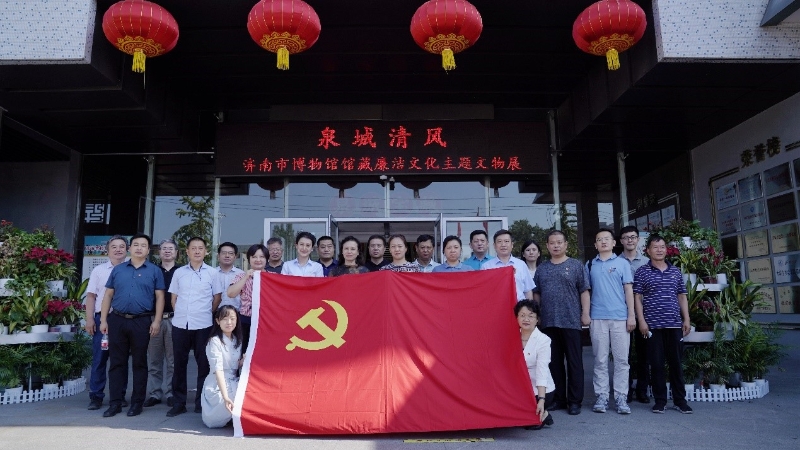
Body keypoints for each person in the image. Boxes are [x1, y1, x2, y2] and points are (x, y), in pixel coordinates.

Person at [99, 233, 165, 418]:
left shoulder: (154, 271)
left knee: (139, 363)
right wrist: (103, 320)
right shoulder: (118, 270)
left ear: (148, 250)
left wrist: (157, 321)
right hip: (117, 320)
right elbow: (108, 295)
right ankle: (115, 402)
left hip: (142, 321)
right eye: (136, 244)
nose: (139, 248)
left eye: (143, 245)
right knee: (116, 363)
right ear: (130, 248)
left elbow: (160, 297)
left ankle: (137, 403)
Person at [633, 234, 693, 414]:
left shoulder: (675, 271)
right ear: (648, 250)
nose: (659, 250)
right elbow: (637, 298)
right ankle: (660, 401)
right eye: (655, 247)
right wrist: (641, 321)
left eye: (662, 247)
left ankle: (680, 401)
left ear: (666, 250)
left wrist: (686, 319)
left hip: (674, 325)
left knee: (676, 364)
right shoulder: (642, 272)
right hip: (653, 326)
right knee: (657, 364)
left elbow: (681, 296)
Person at [533, 230, 590, 416]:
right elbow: (537, 293)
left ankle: (575, 401)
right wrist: (537, 315)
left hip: (571, 321)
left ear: (565, 244)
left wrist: (585, 313)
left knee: (574, 363)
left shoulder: (576, 265)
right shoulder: (542, 268)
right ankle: (559, 398)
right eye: (552, 243)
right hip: (548, 322)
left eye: (559, 242)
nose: (556, 246)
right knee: (554, 363)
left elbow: (584, 290)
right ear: (547, 246)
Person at [167, 237, 222, 417]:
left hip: (203, 324)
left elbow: (217, 298)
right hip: (180, 324)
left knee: (203, 365)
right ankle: (179, 403)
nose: (197, 251)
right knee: (179, 364)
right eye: (193, 248)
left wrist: (205, 313)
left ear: (206, 251)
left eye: (200, 248)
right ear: (187, 252)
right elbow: (174, 298)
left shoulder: (213, 273)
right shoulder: (179, 273)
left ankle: (201, 402)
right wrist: (182, 313)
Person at [586, 228, 635, 415]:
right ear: (595, 244)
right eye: (600, 239)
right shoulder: (590, 264)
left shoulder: (622, 263)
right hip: (597, 317)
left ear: (614, 243)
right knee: (600, 359)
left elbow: (628, 290)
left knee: (622, 360)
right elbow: (586, 291)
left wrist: (631, 315)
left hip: (620, 317)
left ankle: (621, 397)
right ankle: (602, 396)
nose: (603, 242)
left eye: (607, 239)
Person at [84, 235, 129, 411]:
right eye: (114, 247)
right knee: (100, 358)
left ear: (127, 250)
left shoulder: (131, 269)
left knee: (121, 359)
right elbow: (91, 296)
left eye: (122, 246)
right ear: (107, 250)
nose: (118, 250)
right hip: (101, 319)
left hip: (122, 319)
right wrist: (89, 319)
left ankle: (119, 395)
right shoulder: (99, 270)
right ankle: (96, 395)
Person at [143, 239, 178, 409]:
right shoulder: (152, 270)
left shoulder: (182, 271)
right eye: (164, 249)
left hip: (174, 319)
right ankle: (154, 393)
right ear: (159, 252)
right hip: (153, 319)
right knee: (154, 359)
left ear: (176, 253)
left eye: (171, 249)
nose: (167, 251)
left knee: (173, 360)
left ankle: (171, 393)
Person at [619, 225, 651, 404]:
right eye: (626, 237)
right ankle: (626, 389)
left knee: (644, 354)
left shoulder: (647, 262)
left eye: (633, 237)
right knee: (624, 355)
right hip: (621, 314)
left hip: (644, 315)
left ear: (638, 239)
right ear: (621, 241)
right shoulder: (616, 262)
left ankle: (642, 390)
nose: (630, 240)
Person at [201, 305, 243, 428]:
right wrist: (225, 397)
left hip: (233, 381)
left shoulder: (236, 340)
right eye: (225, 319)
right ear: (218, 321)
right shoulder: (214, 341)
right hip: (218, 384)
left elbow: (234, 365)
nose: (229, 322)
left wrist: (244, 360)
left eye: (232, 318)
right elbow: (218, 370)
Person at [516, 300, 555, 430]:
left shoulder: (544, 340)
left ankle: (544, 413)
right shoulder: (512, 337)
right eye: (522, 315)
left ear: (537, 319)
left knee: (529, 425)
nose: (526, 319)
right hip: (519, 387)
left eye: (531, 316)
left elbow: (542, 370)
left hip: (539, 389)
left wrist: (542, 399)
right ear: (517, 318)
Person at [228, 244, 269, 354]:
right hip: (246, 320)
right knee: (243, 353)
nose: (258, 260)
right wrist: (246, 277)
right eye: (254, 257)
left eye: (261, 257)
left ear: (266, 259)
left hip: (266, 321)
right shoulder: (241, 276)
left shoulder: (273, 277)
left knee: (264, 352)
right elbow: (230, 293)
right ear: (249, 259)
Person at [481, 229, 534, 301]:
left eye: (506, 241)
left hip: (519, 306)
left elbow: (528, 291)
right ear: (494, 245)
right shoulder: (486, 267)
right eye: (499, 242)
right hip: (496, 306)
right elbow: (483, 292)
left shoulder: (521, 264)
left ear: (512, 245)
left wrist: (529, 307)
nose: (503, 245)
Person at [214, 242, 244, 310]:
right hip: (215, 312)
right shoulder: (212, 273)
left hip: (236, 313)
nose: (227, 256)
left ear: (235, 257)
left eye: (230, 253)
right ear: (218, 256)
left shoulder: (242, 275)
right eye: (224, 253)